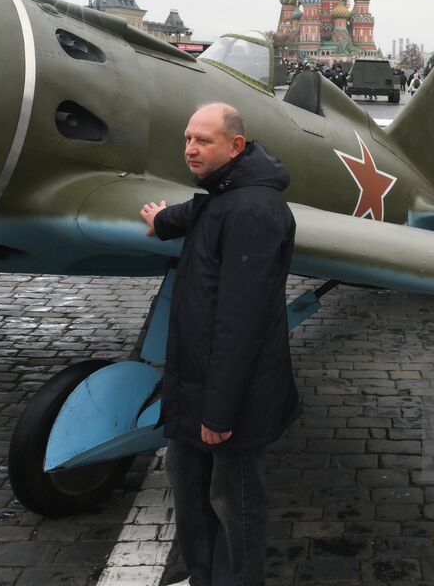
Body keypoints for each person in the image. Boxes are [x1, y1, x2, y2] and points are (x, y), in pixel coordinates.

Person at [139, 103, 299, 586]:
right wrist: (164, 219)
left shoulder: (255, 211)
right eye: (187, 138)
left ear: (235, 146)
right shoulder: (226, 193)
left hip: (230, 400)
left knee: (235, 505)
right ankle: (203, 577)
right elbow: (203, 211)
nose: (190, 148)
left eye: (202, 140)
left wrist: (220, 414)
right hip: (195, 385)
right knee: (189, 492)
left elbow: (241, 323)